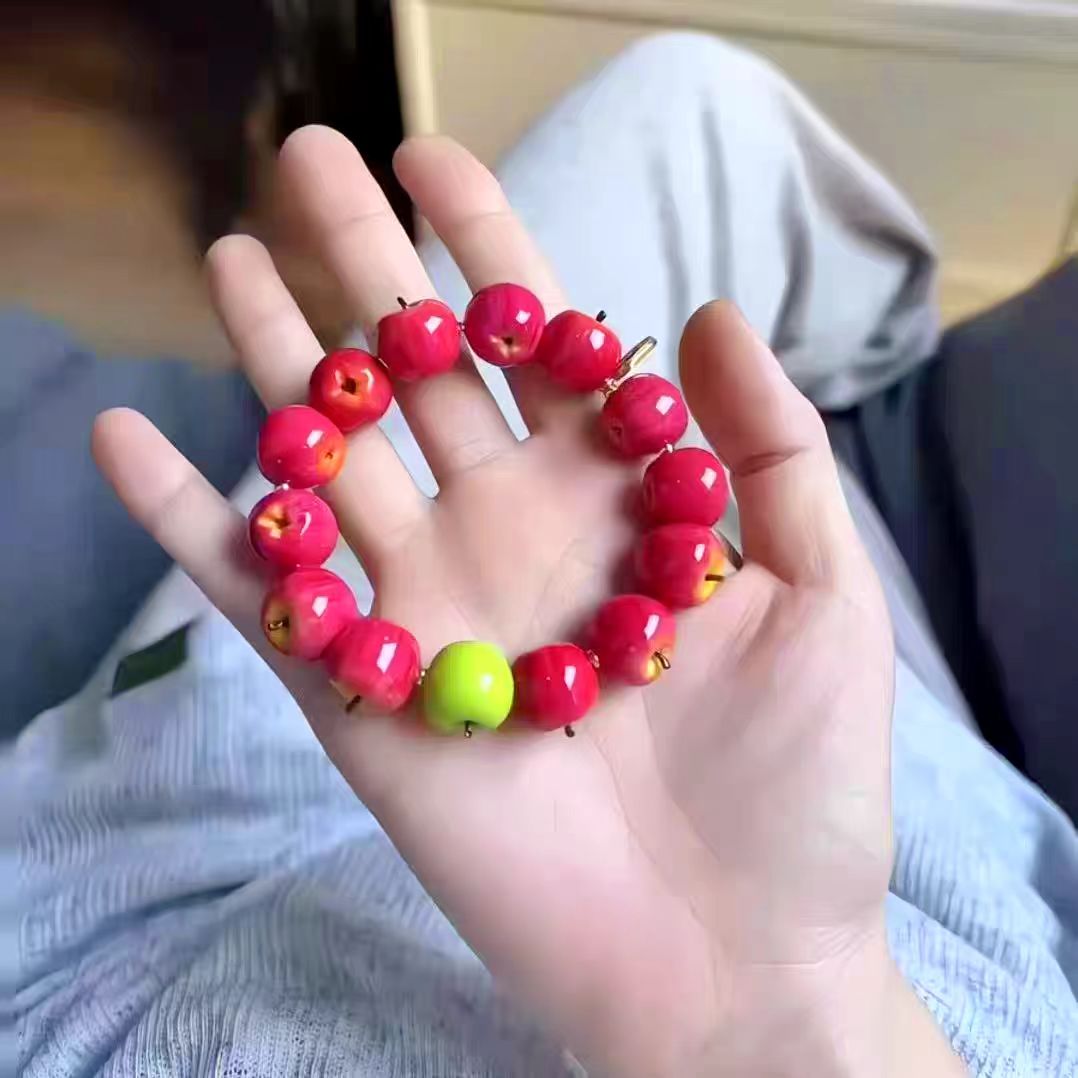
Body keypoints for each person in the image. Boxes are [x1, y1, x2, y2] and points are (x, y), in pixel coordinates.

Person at [10, 34, 1078, 1076]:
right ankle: (881, 370)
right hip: (867, 818)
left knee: (697, 110)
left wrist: (761, 1013)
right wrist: (793, 1015)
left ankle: (871, 381)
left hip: (162, 838)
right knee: (701, 103)